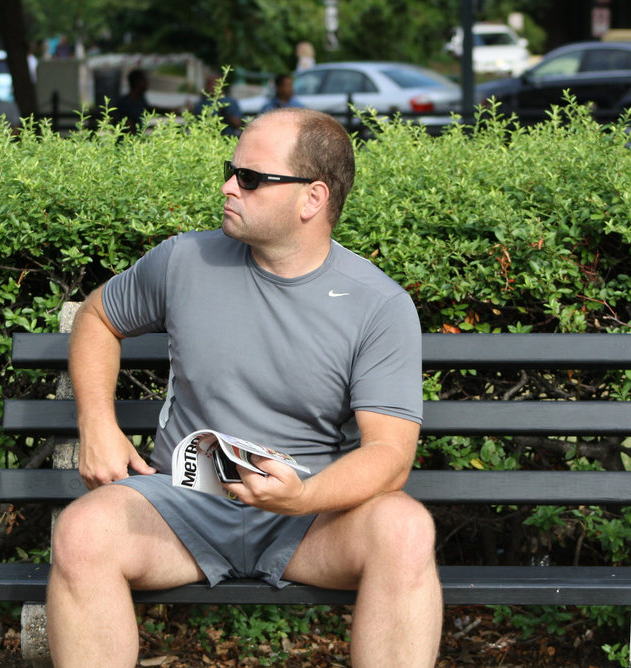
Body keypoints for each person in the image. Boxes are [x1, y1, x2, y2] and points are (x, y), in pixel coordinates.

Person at [48, 107, 443, 667]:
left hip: (307, 513)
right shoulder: (187, 259)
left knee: (404, 529)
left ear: (312, 199)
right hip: (185, 500)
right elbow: (97, 318)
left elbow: (390, 456)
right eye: (231, 170)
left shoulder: (378, 305)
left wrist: (302, 497)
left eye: (253, 179)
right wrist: (97, 423)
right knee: (83, 532)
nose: (230, 187)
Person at [112, 69, 151, 134]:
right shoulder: (123, 103)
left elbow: (149, 109)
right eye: (144, 80)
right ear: (137, 82)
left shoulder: (141, 99)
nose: (147, 83)